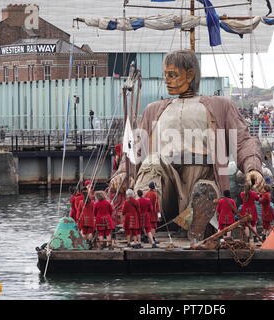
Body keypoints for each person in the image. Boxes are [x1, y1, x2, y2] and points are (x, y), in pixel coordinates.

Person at [109, 50, 264, 242]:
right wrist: (124, 173)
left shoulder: (221, 105)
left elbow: (242, 140)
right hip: (165, 181)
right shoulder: (153, 109)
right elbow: (137, 150)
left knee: (204, 189)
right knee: (152, 162)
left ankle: (198, 221)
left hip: (203, 173)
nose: (167, 80)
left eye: (172, 75)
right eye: (165, 74)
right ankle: (142, 220)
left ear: (190, 75)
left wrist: (252, 168)